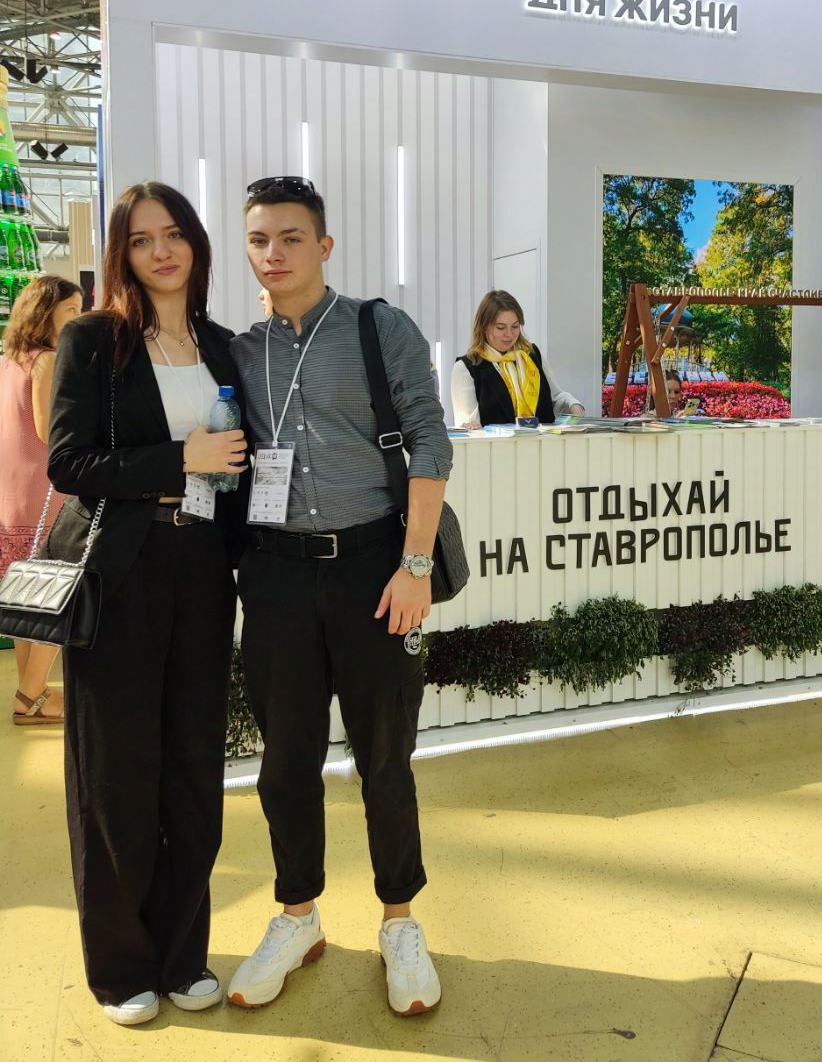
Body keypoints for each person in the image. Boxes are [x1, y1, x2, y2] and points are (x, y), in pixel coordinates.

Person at [229, 175, 452, 1017]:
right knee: (285, 760)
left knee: (384, 756)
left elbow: (430, 439)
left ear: (323, 246)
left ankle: (400, 923)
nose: (274, 253)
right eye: (260, 240)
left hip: (374, 567)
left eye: (291, 237)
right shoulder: (241, 351)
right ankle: (297, 918)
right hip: (277, 573)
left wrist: (415, 564)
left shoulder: (377, 327)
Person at [45, 182, 247, 1027]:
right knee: (116, 773)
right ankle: (120, 966)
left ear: (195, 243)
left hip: (203, 569)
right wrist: (178, 459)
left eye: (173, 234)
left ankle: (181, 953)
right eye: (140, 239)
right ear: (121, 254)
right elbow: (69, 463)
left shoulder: (226, 346)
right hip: (122, 572)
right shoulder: (94, 340)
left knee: (194, 768)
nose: (160, 251)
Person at [0, 275, 82, 724]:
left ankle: (28, 692)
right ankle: (31, 696)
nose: (79, 318)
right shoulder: (47, 360)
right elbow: (49, 430)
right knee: (54, 591)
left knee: (23, 594)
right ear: (45, 313)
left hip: (12, 493)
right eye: (71, 310)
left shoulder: (10, 359)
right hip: (44, 491)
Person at [451, 290, 585, 428]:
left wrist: (573, 405)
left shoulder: (532, 355)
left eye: (515, 326)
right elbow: (468, 424)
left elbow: (555, 398)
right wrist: (469, 426)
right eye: (500, 328)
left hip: (542, 441)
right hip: (497, 442)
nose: (509, 334)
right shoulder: (466, 368)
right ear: (483, 327)